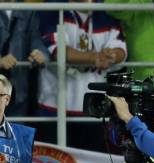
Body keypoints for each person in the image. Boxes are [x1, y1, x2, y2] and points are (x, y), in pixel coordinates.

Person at [37, 2, 126, 151]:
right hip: (54, 108)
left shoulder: (107, 17)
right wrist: (95, 58)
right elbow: (59, 52)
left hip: (95, 109)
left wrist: (112, 55)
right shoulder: (52, 11)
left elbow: (121, 50)